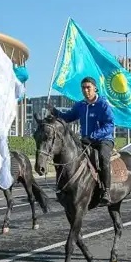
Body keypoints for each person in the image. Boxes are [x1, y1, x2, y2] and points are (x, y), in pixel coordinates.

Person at [46, 77, 115, 206]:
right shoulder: (80, 105)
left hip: (103, 140)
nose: (85, 90)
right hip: (85, 141)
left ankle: (106, 191)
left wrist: (93, 135)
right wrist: (54, 112)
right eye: (83, 88)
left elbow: (110, 125)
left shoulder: (103, 104)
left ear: (95, 88)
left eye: (88, 87)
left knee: (103, 157)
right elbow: (68, 117)